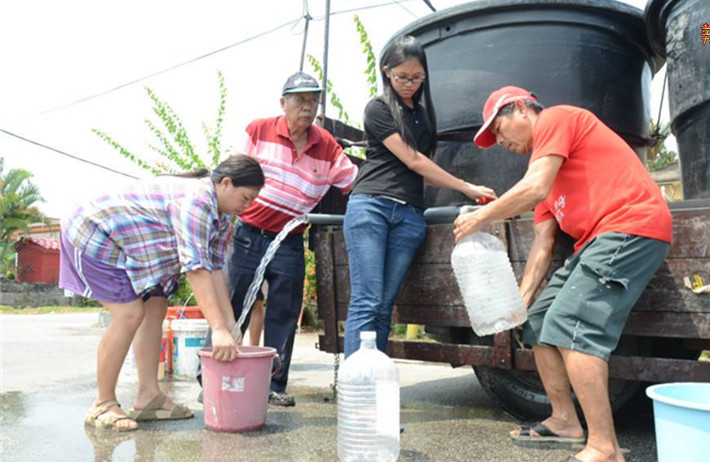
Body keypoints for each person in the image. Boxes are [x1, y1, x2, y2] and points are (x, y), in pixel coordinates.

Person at [453, 86, 672, 462]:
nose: (500, 140)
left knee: (573, 324)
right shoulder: (544, 170)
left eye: (500, 129)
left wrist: (481, 217)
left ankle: (605, 447)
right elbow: (543, 244)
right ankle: (565, 420)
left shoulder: (557, 119)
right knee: (538, 321)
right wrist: (518, 303)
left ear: (522, 108)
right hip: (596, 241)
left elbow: (533, 187)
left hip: (630, 227)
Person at [59, 154, 264, 431]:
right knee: (130, 314)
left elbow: (215, 269)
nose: (248, 206)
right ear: (226, 183)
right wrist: (216, 328)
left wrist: (230, 325)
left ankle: (148, 397)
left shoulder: (223, 217)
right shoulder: (197, 201)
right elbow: (195, 268)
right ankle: (103, 403)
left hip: (133, 246)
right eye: (246, 197)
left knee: (156, 306)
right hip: (93, 230)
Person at [342, 35, 496, 359]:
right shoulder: (378, 108)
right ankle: (357, 383)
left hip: (409, 216)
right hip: (372, 207)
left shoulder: (424, 116)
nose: (410, 84)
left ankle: (372, 378)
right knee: (367, 300)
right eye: (402, 77)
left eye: (417, 77)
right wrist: (467, 187)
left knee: (384, 306)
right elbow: (413, 160)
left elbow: (423, 171)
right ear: (387, 72)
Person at [222, 71, 358, 407]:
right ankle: (215, 378)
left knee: (283, 313)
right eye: (300, 99)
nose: (307, 106)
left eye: (313, 100)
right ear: (283, 103)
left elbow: (354, 183)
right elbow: (232, 174)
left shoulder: (326, 145)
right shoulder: (258, 130)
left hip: (290, 241)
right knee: (232, 306)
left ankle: (274, 386)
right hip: (248, 235)